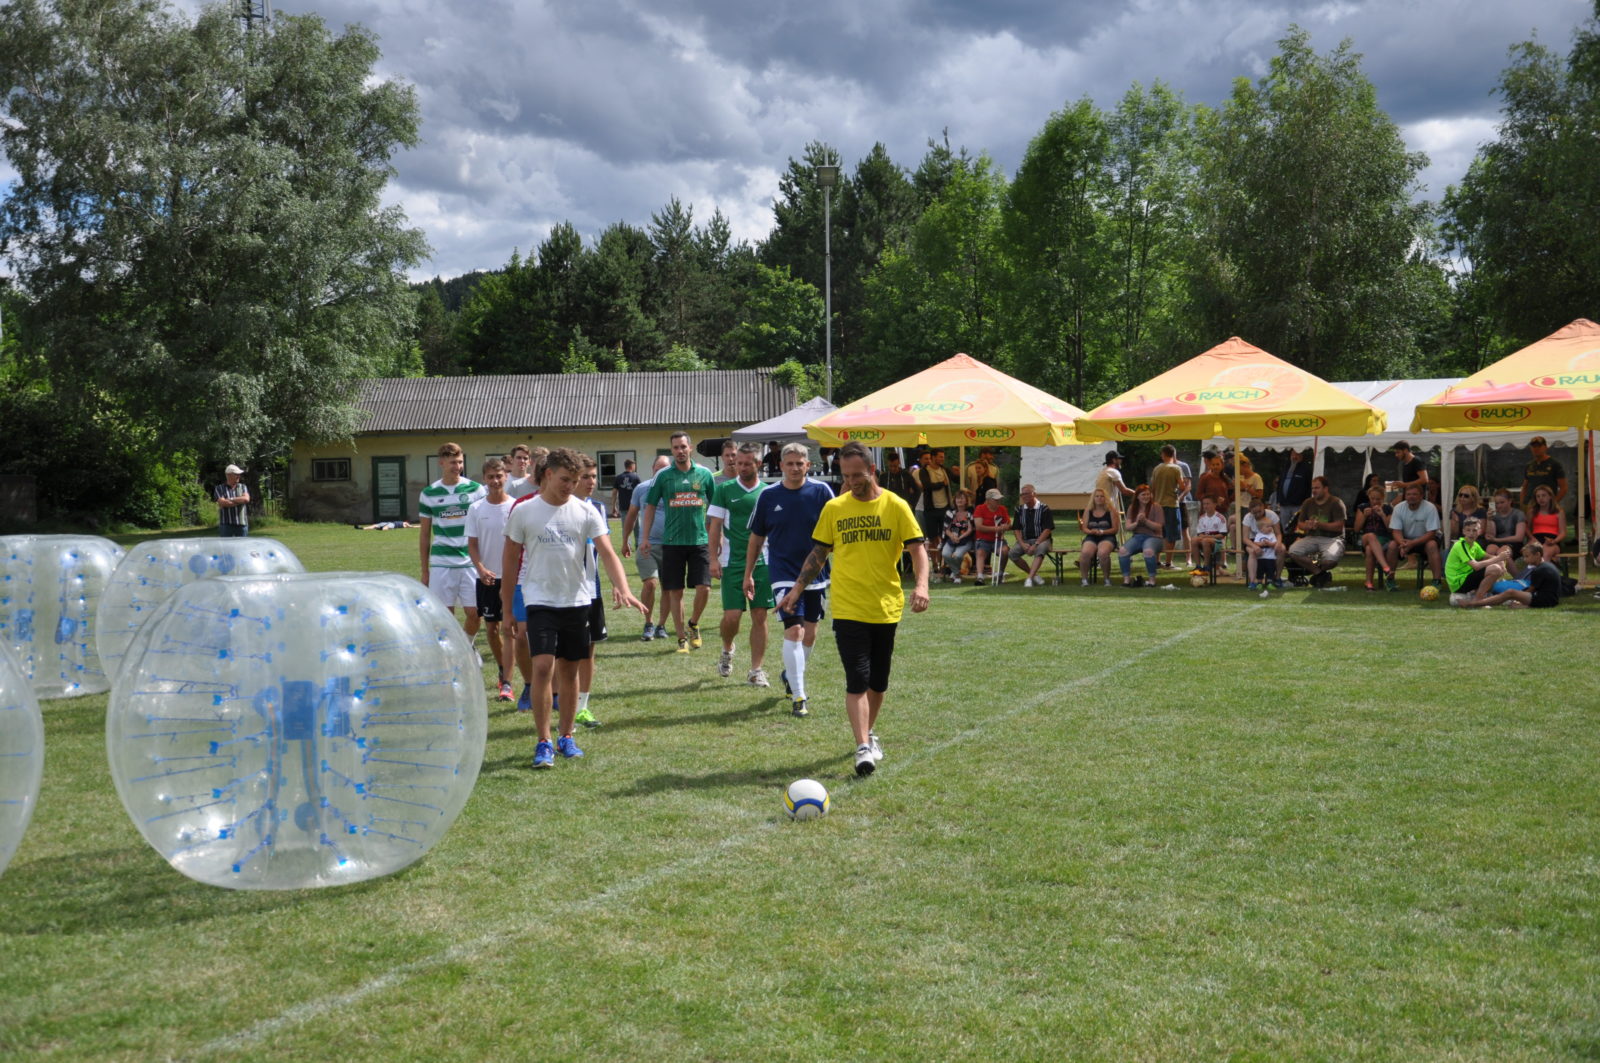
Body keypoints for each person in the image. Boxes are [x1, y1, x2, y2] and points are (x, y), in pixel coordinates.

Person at [780, 440, 928, 777]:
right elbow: (818, 554)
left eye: (857, 475)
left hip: (886, 606)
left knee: (878, 682)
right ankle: (862, 746)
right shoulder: (835, 508)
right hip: (848, 607)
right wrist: (796, 590)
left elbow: (917, 549)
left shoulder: (895, 506)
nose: (851, 482)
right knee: (857, 679)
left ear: (872, 470)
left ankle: (869, 732)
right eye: (845, 476)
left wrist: (921, 586)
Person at [501, 448, 643, 769]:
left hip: (577, 601)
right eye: (565, 479)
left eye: (575, 480)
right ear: (548, 474)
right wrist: (507, 609)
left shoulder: (586, 511)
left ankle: (566, 736)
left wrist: (623, 588)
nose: (570, 486)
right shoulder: (524, 511)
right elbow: (509, 561)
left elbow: (608, 553)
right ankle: (543, 741)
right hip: (540, 600)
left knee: (569, 670)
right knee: (542, 667)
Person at [746, 442, 835, 717]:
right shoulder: (768, 495)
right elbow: (756, 538)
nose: (795, 468)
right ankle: (799, 696)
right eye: (790, 463)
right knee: (794, 631)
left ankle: (790, 674)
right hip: (782, 572)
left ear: (808, 465)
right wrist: (748, 574)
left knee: (810, 633)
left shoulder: (822, 492)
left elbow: (835, 531)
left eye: (800, 463)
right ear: (781, 465)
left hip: (816, 573)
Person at [641, 431, 716, 653]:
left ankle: (693, 623)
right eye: (675, 448)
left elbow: (716, 508)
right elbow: (650, 506)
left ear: (690, 448)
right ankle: (681, 638)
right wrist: (644, 537)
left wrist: (717, 535)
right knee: (676, 591)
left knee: (704, 588)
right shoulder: (663, 476)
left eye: (683, 447)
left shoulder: (704, 474)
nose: (680, 451)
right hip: (672, 543)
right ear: (671, 450)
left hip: (699, 541)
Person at [707, 442, 773, 688]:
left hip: (763, 562)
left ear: (759, 464)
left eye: (747, 463)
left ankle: (756, 670)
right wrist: (713, 558)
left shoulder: (768, 492)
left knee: (760, 615)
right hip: (732, 562)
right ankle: (727, 648)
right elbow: (714, 526)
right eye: (739, 463)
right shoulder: (724, 490)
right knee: (732, 617)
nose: (742, 467)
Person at [418, 442, 486, 632]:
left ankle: (468, 645)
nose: (458, 467)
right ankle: (453, 649)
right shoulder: (428, 493)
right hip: (442, 562)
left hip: (470, 561)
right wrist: (425, 571)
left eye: (460, 462)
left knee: (475, 613)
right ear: (441, 463)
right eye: (453, 463)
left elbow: (484, 527)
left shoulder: (475, 490)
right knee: (444, 616)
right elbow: (424, 534)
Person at [465, 458, 516, 703]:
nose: (495, 481)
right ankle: (503, 670)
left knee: (511, 629)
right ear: (484, 479)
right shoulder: (476, 509)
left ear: (506, 476)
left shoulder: (516, 507)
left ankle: (507, 682)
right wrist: (481, 568)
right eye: (490, 477)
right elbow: (472, 544)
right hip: (487, 578)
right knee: (492, 629)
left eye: (499, 476)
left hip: (512, 578)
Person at [571, 456, 610, 728]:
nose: (591, 482)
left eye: (594, 476)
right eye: (585, 477)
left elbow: (604, 550)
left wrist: (618, 585)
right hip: (564, 590)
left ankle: (582, 707)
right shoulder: (559, 507)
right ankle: (562, 701)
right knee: (566, 652)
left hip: (591, 589)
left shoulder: (598, 508)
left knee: (589, 648)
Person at [621, 455, 672, 642]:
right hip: (647, 544)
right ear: (652, 469)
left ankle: (661, 625)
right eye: (658, 469)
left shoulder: (675, 489)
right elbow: (631, 515)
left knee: (668, 588)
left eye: (665, 469)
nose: (661, 472)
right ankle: (649, 623)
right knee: (650, 583)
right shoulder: (641, 489)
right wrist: (625, 540)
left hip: (671, 545)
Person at [1286, 476, 1346, 587]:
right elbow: (1300, 523)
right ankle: (1319, 573)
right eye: (1313, 488)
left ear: (1326, 489)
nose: (1314, 491)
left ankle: (1319, 572)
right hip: (1311, 538)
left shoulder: (1336, 502)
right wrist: (1307, 526)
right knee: (1293, 551)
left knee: (1329, 561)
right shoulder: (1307, 502)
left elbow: (1339, 527)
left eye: (1317, 488)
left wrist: (1319, 525)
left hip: (1332, 539)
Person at [1469, 541, 1561, 608]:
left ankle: (1475, 603)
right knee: (1511, 595)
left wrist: (1519, 600)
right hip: (1549, 599)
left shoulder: (1540, 570)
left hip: (1545, 600)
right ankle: (1479, 602)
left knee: (1510, 593)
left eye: (1527, 556)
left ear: (1537, 555)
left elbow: (1530, 590)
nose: (1525, 560)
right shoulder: (1545, 566)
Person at [1386, 482, 1443, 587]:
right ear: (1405, 496)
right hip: (1405, 540)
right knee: (1392, 545)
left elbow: (1431, 533)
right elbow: (1396, 531)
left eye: (1414, 494)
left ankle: (1437, 581)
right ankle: (1390, 580)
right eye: (1408, 494)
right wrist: (1402, 543)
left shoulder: (1430, 508)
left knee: (1432, 545)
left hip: (1425, 539)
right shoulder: (1398, 508)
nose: (1411, 497)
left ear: (1421, 496)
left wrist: (1412, 543)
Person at [1445, 516, 1510, 606]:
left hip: (1466, 577)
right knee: (1495, 569)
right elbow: (1476, 566)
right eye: (1468, 530)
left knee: (1496, 567)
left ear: (1479, 532)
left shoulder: (1475, 545)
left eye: (1474, 530)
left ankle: (1482, 595)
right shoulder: (1460, 545)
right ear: (1463, 531)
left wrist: (1501, 561)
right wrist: (1498, 558)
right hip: (1458, 582)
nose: (1471, 533)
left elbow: (1489, 556)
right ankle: (1478, 600)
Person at [1006, 483, 1055, 587]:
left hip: (1042, 540)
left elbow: (1047, 529)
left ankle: (1029, 579)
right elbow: (1016, 529)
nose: (1024, 496)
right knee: (1012, 553)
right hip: (1025, 540)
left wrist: (1036, 544)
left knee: (1040, 550)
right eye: (1022, 494)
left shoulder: (1044, 508)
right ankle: (1033, 575)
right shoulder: (1019, 510)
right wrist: (1022, 544)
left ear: (1034, 494)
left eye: (1027, 493)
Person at [1149, 445, 1188, 568]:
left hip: (1158, 505)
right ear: (1173, 454)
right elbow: (1182, 486)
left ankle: (1156, 561)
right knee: (1171, 535)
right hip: (1171, 505)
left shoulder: (1156, 469)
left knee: (1158, 534)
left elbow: (1152, 487)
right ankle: (1168, 562)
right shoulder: (1176, 468)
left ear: (1163, 454)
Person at [1118, 485, 1163, 587]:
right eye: (1143, 494)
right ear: (1137, 496)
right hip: (1138, 536)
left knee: (1148, 551)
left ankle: (1152, 580)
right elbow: (1128, 527)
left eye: (1148, 494)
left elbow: (1158, 527)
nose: (1146, 497)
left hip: (1154, 537)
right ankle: (1126, 580)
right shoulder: (1132, 508)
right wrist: (1137, 522)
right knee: (1122, 551)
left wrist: (1146, 521)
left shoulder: (1156, 507)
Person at [1352, 485, 1394, 590]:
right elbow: (1356, 529)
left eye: (1378, 499)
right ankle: (1385, 567)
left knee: (1369, 549)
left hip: (1383, 539)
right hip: (1366, 538)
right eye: (1372, 498)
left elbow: (1390, 529)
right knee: (1371, 536)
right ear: (1369, 497)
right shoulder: (1362, 507)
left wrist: (1382, 515)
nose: (1375, 501)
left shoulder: (1388, 509)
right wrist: (1364, 516)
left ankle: (1368, 583)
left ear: (1383, 498)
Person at [1077, 488, 1119, 586]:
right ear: (1093, 498)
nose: (1099, 498)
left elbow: (1115, 529)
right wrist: (1091, 531)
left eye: (1102, 496)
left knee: (1102, 553)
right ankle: (1084, 580)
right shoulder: (1088, 511)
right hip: (1092, 536)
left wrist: (1103, 531)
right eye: (1097, 496)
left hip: (1107, 536)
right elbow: (1084, 528)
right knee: (1085, 553)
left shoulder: (1111, 511)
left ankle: (1107, 579)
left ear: (1105, 498)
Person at [1243, 498, 1285, 589]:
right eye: (1255, 513)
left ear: (1263, 507)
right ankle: (1253, 581)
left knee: (1282, 549)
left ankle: (1277, 578)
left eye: (1259, 511)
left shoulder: (1272, 515)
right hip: (1253, 540)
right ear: (1250, 511)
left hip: (1271, 538)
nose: (1258, 514)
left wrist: (1278, 543)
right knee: (1252, 552)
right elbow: (1245, 538)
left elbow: (1278, 533)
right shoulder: (1248, 517)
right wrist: (1255, 546)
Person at [916, 447, 953, 547]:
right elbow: (927, 486)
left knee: (945, 535)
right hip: (931, 509)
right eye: (940, 457)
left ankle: (943, 556)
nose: (942, 459)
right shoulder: (924, 471)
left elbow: (955, 478)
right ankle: (935, 557)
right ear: (933, 457)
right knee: (932, 537)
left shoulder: (944, 470)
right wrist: (942, 483)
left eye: (943, 457)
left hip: (945, 508)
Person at [972, 488, 1010, 583]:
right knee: (980, 552)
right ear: (988, 500)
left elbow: (1008, 524)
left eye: (999, 499)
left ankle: (1000, 574)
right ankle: (980, 576)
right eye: (996, 499)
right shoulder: (980, 508)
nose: (998, 501)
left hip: (998, 539)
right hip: (983, 539)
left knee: (1005, 551)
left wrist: (1005, 527)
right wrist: (996, 529)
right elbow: (979, 527)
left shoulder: (1002, 509)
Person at [1519, 435, 1567, 510]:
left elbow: (1564, 488)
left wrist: (1553, 504)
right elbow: (1524, 487)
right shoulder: (1529, 465)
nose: (1536, 448)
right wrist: (1522, 503)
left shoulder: (1555, 464)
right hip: (1530, 505)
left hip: (1547, 506)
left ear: (1545, 447)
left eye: (1539, 446)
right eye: (1533, 446)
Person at [940, 490, 976, 583]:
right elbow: (946, 529)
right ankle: (957, 574)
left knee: (957, 555)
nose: (959, 500)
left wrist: (960, 538)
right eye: (958, 498)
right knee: (945, 554)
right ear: (955, 500)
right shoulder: (950, 512)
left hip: (965, 540)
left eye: (962, 498)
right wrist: (952, 537)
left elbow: (970, 529)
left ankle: (955, 574)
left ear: (966, 500)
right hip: (951, 539)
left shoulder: (969, 513)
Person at [1189, 495, 1228, 573]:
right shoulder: (1202, 518)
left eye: (1208, 504)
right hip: (1205, 540)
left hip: (1218, 543)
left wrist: (1208, 537)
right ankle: (1198, 566)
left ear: (1214, 504)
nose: (1205, 506)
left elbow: (1222, 535)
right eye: (1204, 504)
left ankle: (1206, 566)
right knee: (1193, 540)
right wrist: (1205, 537)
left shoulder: (1220, 517)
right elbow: (1200, 534)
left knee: (1205, 541)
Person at [1485, 488, 1528, 556]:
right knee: (1490, 551)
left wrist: (1496, 540)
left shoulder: (1518, 514)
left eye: (1502, 502)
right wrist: (1489, 520)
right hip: (1496, 542)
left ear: (1510, 501)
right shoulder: (1494, 514)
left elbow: (1519, 538)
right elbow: (1490, 536)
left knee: (1502, 552)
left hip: (1513, 543)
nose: (1499, 505)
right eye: (1497, 503)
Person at [1274, 447, 1313, 519]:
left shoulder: (1306, 470)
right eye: (1292, 454)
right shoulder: (1285, 467)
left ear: (1301, 456)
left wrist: (1305, 503)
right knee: (1285, 525)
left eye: (1297, 454)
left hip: (1298, 505)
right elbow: (1279, 485)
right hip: (1284, 505)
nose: (1294, 457)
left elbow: (1309, 487)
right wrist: (1279, 500)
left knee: (1297, 525)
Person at [1527, 483, 1565, 554]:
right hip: (1536, 538)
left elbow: (1563, 532)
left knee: (1546, 552)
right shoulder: (1532, 511)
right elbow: (1527, 528)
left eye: (1543, 495)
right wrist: (1532, 538)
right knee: (1529, 552)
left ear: (1550, 496)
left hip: (1552, 539)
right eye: (1538, 496)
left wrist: (1554, 541)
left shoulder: (1559, 512)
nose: (1541, 498)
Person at [1094, 450, 1135, 516]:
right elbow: (1124, 491)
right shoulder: (1113, 472)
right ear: (1114, 460)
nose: (1121, 461)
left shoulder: (1102, 472)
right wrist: (1138, 494)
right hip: (1108, 507)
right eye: (1119, 459)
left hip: (1099, 506)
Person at [216, 464, 250, 537]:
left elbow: (246, 499)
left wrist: (230, 499)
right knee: (226, 544)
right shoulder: (219, 488)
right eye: (236, 474)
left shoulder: (243, 487)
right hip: (226, 525)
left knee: (242, 544)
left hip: (242, 524)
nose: (239, 476)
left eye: (239, 474)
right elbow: (223, 503)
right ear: (228, 475)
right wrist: (240, 501)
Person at [611, 458, 641, 525]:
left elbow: (614, 493)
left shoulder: (618, 478)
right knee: (637, 529)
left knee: (625, 528)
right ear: (632, 466)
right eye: (634, 465)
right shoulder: (636, 477)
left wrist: (613, 506)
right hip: (635, 506)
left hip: (623, 507)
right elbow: (640, 492)